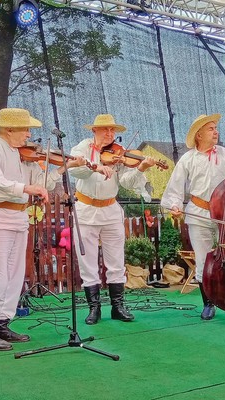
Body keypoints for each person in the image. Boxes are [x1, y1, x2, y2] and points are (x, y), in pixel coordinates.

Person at [0, 108, 86, 351]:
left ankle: (2, 323)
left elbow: (41, 183)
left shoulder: (24, 154)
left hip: (17, 218)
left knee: (14, 276)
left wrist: (63, 167)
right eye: (25, 129)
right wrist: (26, 188)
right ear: (8, 129)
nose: (29, 134)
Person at [160, 113, 225, 323]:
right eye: (211, 128)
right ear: (199, 135)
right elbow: (174, 188)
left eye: (216, 128)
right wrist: (175, 206)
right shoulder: (188, 159)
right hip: (198, 212)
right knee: (203, 259)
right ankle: (208, 303)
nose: (216, 131)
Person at [69, 114, 156, 325]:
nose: (110, 134)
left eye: (112, 131)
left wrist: (141, 167)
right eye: (105, 130)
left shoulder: (119, 154)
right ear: (94, 131)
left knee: (116, 259)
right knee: (87, 261)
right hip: (86, 209)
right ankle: (94, 308)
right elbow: (77, 172)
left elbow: (127, 181)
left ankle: (118, 306)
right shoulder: (81, 148)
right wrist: (96, 163)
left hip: (110, 209)